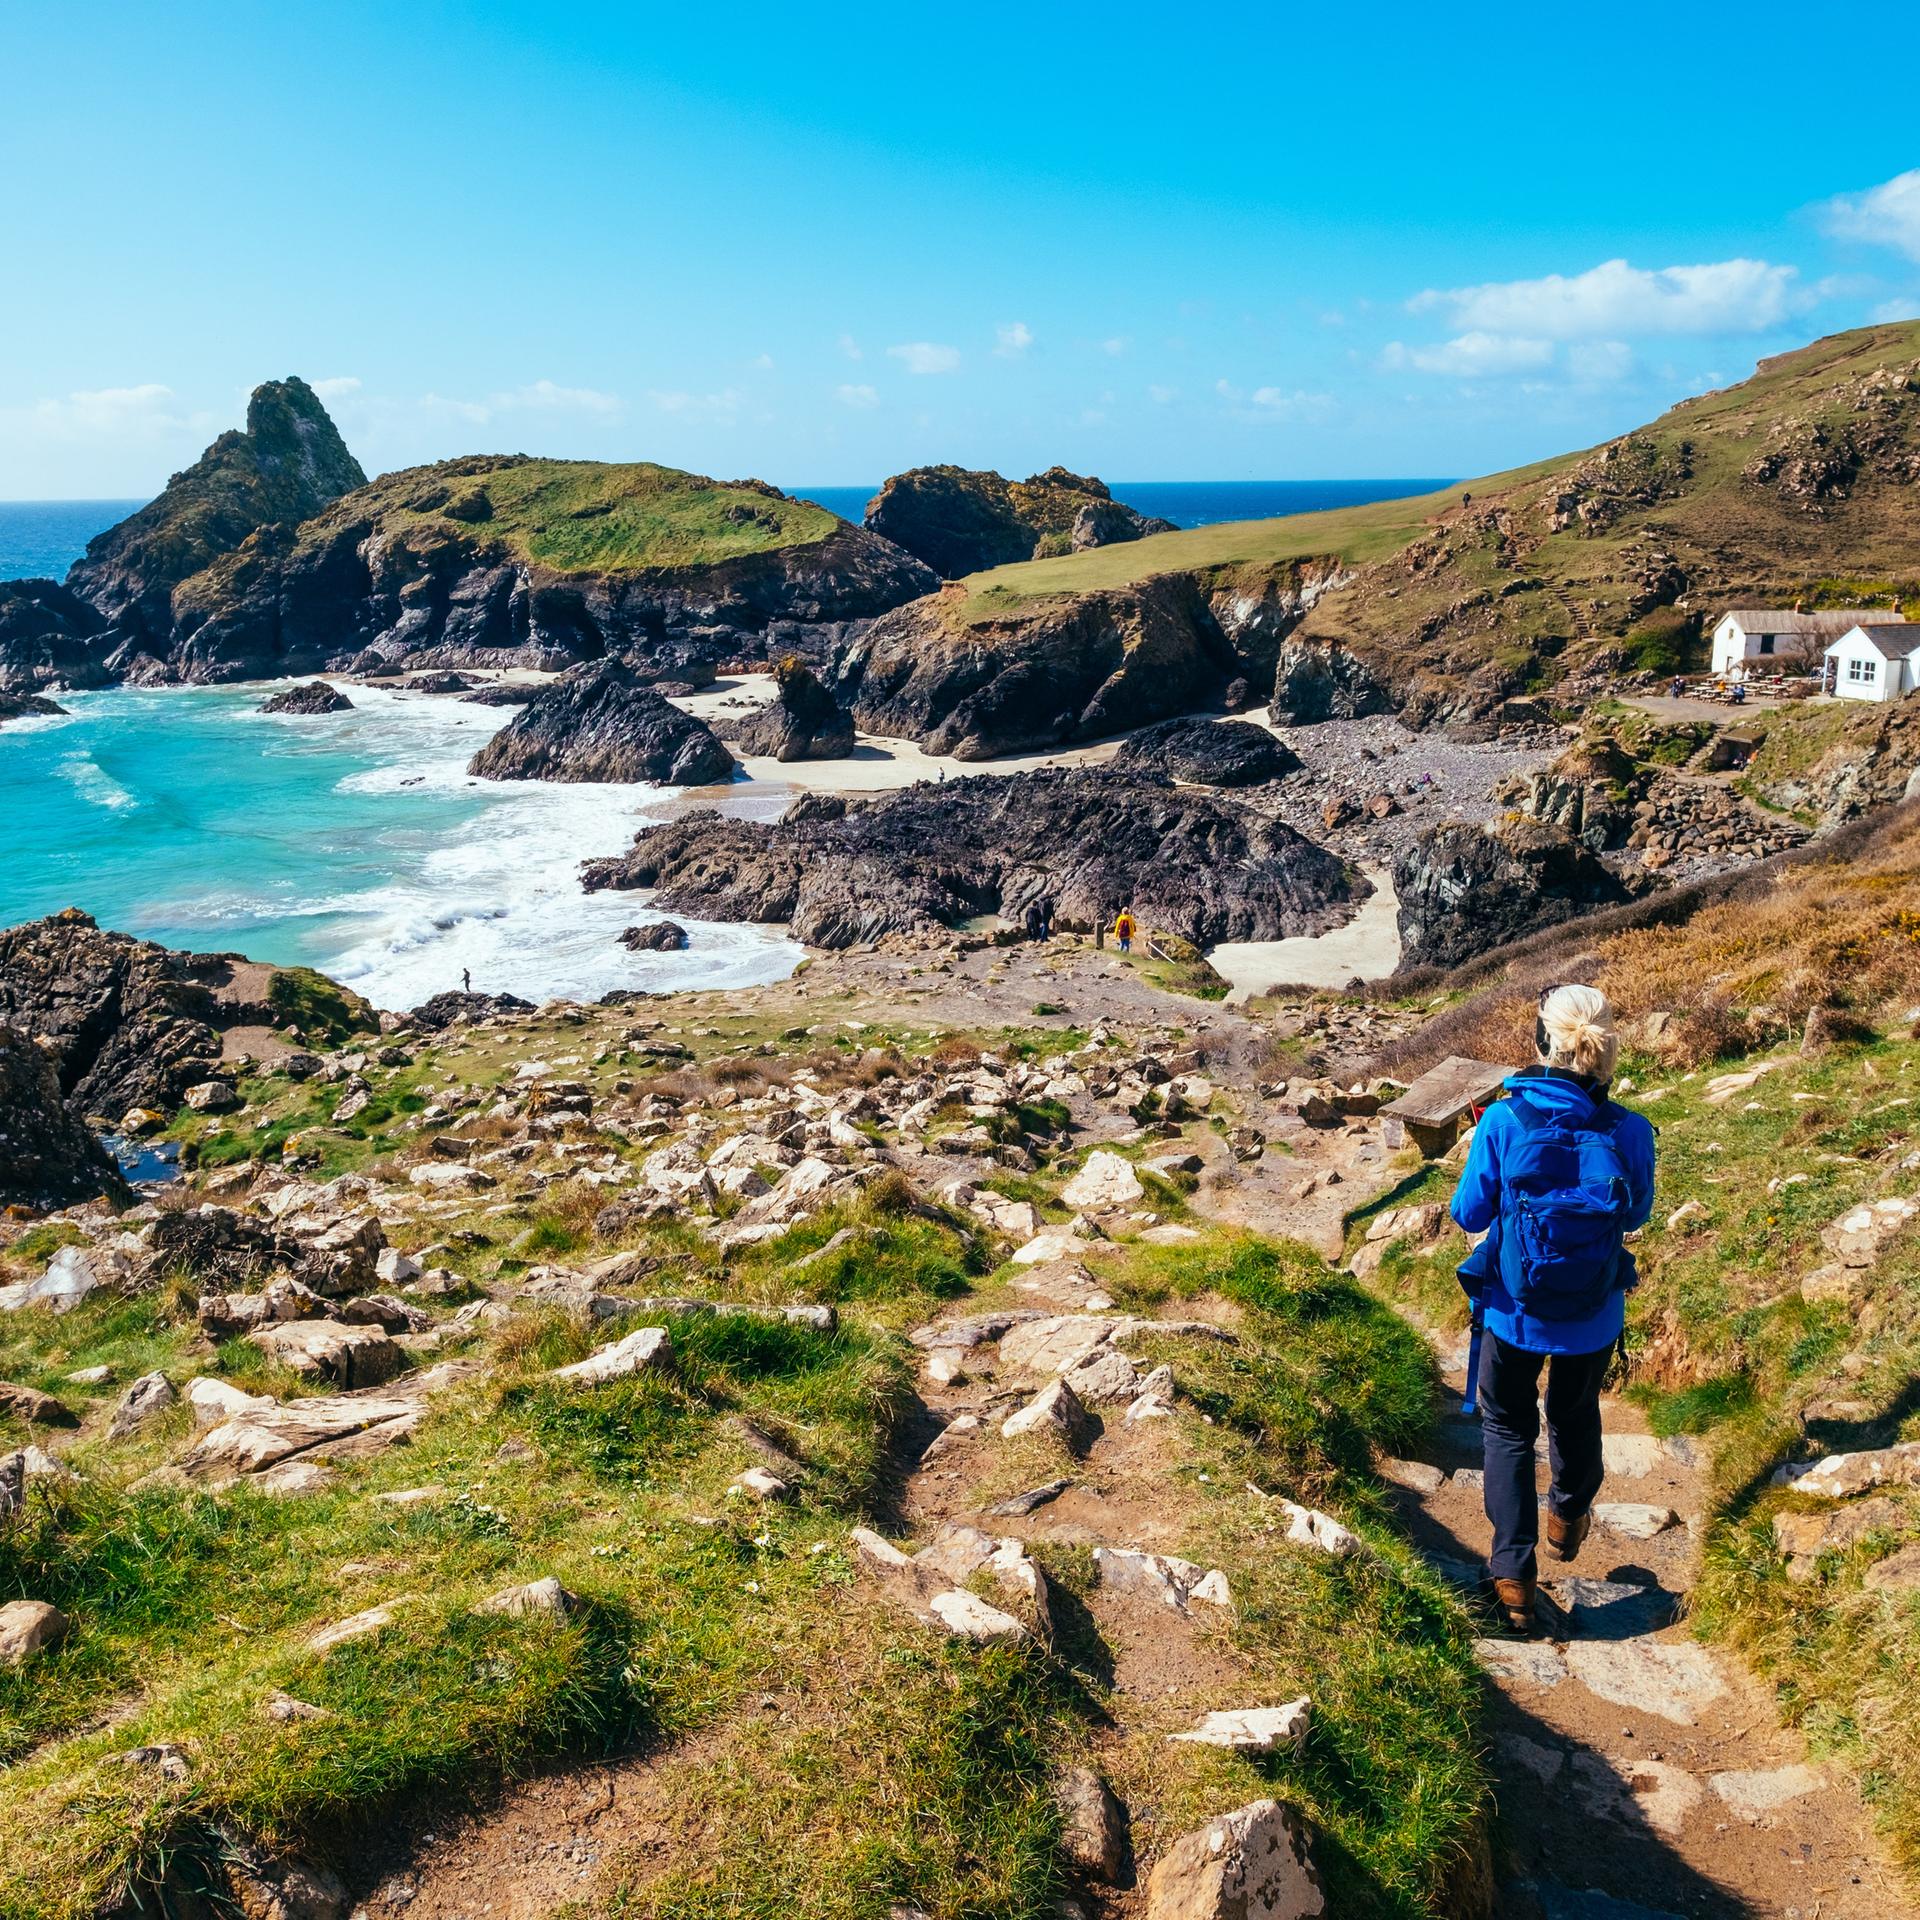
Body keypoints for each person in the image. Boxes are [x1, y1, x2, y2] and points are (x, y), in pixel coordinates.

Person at [1450, 984, 1655, 1636]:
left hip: (1513, 1312)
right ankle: (1568, 1512)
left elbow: (1468, 1213)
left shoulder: (1506, 1121)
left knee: (1508, 1426)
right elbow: (1639, 1213)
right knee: (1573, 1411)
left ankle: (1512, 1572)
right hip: (1592, 1312)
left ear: (1542, 1040)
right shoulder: (1629, 1130)